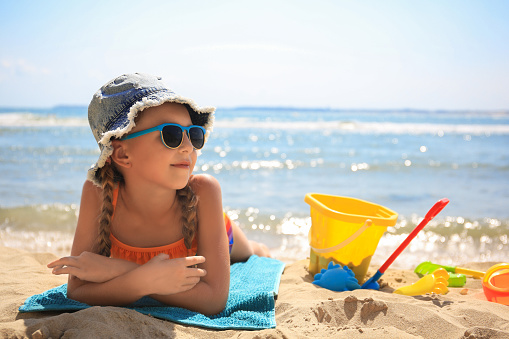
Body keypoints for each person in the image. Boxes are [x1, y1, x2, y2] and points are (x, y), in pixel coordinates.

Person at [47, 73, 270, 315]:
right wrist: (147, 279)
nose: (188, 147)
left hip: (220, 233)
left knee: (252, 253)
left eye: (194, 135)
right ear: (122, 155)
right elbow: (78, 291)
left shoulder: (204, 191)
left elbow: (214, 300)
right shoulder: (99, 194)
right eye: (171, 135)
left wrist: (119, 270)